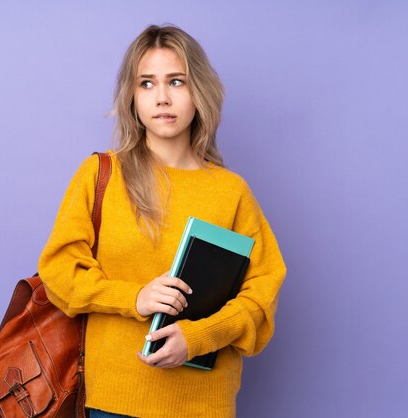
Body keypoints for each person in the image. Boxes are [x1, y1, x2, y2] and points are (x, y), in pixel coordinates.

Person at [38, 24, 286, 418]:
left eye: (176, 81)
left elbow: (262, 296)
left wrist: (198, 337)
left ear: (199, 91)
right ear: (132, 96)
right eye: (147, 84)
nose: (163, 97)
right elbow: (59, 271)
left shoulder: (231, 191)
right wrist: (133, 297)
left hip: (204, 404)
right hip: (114, 401)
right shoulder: (102, 174)